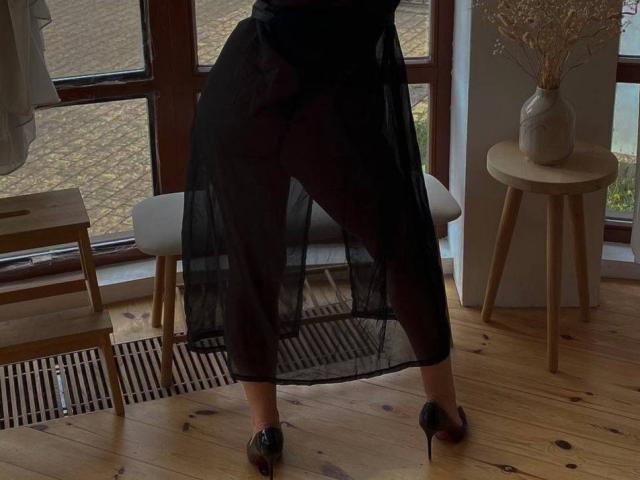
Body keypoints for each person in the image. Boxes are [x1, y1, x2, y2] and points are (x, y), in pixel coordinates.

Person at [181, 0, 468, 477]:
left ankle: (264, 428)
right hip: (324, 104)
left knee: (253, 261)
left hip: (242, 87)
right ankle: (443, 407)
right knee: (403, 243)